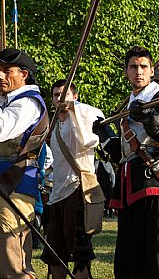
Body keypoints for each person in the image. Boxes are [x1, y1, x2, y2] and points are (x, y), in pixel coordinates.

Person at [93, 46, 159, 279]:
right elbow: (123, 153)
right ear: (126, 71)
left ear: (152, 70)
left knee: (156, 259)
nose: (139, 72)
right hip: (129, 184)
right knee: (128, 260)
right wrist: (104, 136)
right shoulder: (129, 103)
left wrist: (149, 117)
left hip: (153, 180)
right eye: (133, 67)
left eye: (144, 67)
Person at [40, 79, 104, 279]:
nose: (60, 98)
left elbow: (94, 127)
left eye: (64, 94)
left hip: (77, 191)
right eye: (56, 95)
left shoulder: (84, 116)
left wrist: (73, 107)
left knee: (80, 255)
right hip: (57, 193)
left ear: (74, 96)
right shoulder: (54, 125)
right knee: (55, 254)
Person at [0, 49, 48, 279]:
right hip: (6, 189)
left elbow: (1, 129)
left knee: (14, 266)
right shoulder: (8, 102)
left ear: (24, 74)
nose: (0, 76)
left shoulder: (28, 103)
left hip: (14, 188)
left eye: (7, 71)